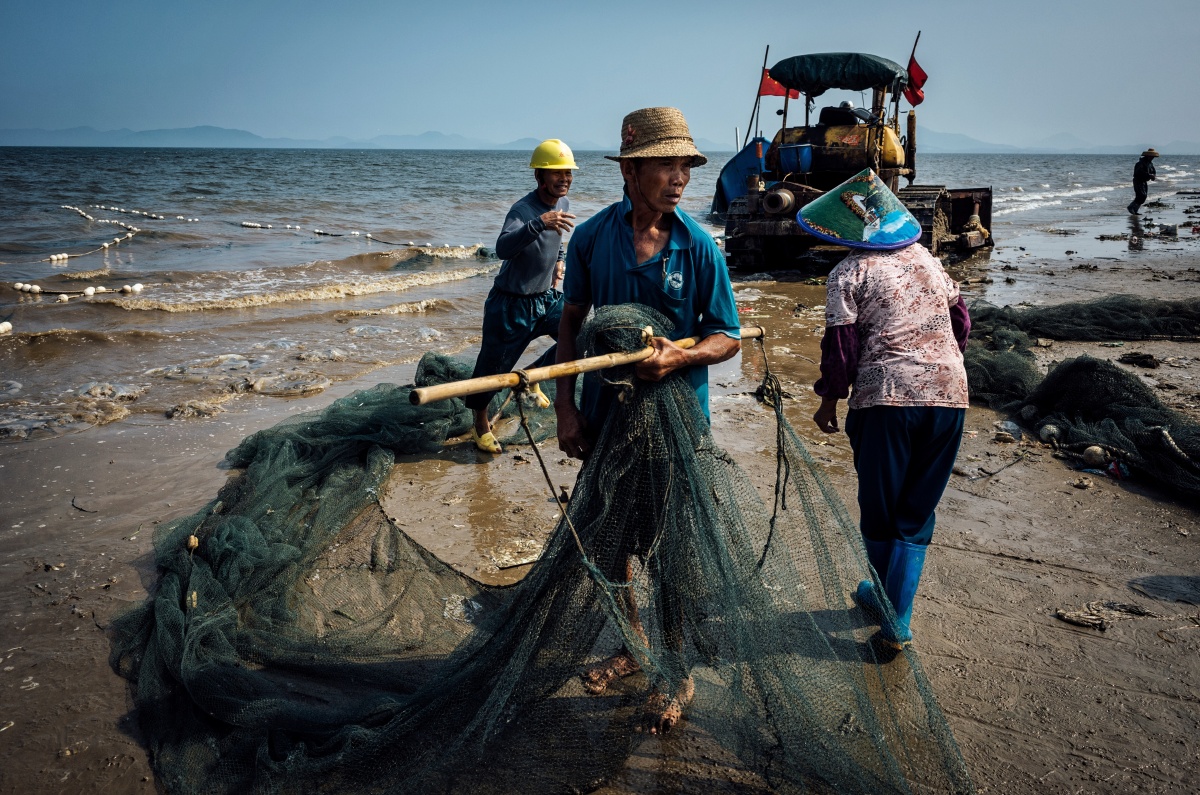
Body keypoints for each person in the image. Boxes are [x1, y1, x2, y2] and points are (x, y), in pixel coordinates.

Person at [553, 107, 741, 733]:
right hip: (605, 419)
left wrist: (681, 356)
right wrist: (566, 407)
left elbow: (727, 336)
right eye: (666, 165)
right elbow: (572, 322)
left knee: (671, 552)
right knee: (610, 543)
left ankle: (677, 669)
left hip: (676, 425)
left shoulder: (700, 248)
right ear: (630, 171)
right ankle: (633, 646)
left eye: (685, 166)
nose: (680, 178)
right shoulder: (591, 239)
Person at [801, 169, 970, 651]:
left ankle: (891, 615)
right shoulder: (928, 260)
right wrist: (939, 365)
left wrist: (829, 399)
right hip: (949, 396)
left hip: (886, 400)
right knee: (916, 509)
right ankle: (893, 610)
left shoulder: (848, 273)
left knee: (880, 508)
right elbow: (961, 323)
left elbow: (841, 349)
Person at [465, 139, 577, 453]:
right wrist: (539, 223)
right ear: (539, 176)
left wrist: (559, 260)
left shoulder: (564, 203)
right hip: (510, 305)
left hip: (545, 300)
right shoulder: (522, 210)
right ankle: (480, 424)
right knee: (491, 370)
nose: (564, 179)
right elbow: (502, 248)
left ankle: (533, 376)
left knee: (581, 335)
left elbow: (558, 239)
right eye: (557, 173)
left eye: (568, 172)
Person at [1128, 148, 1159, 215]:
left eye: (1153, 157)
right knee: (1142, 195)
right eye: (1151, 156)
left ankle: (1135, 210)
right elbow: (1138, 173)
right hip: (1138, 181)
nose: (1152, 158)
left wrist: (1153, 176)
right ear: (1147, 156)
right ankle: (1131, 207)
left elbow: (1153, 171)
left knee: (1143, 196)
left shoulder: (1150, 164)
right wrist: (1149, 175)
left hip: (1144, 181)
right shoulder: (1140, 163)